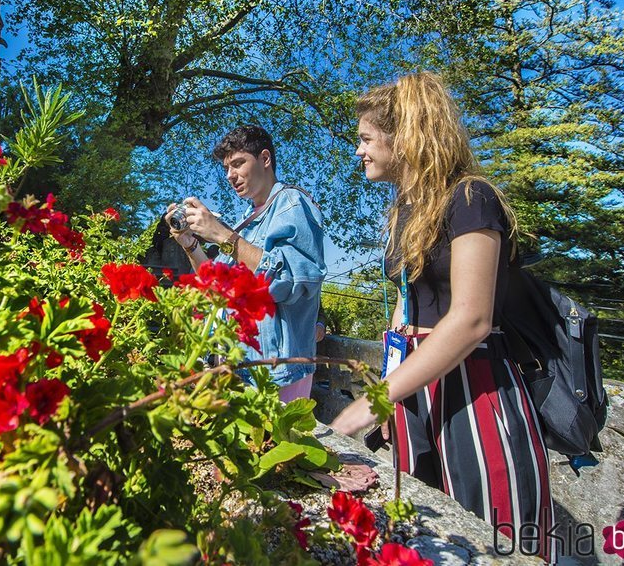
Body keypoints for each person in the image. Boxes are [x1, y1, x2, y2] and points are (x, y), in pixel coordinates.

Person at [328, 73, 554, 561]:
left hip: (473, 384)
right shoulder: (404, 211)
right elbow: (403, 311)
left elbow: (472, 319)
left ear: (406, 134)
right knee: (427, 534)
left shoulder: (471, 198)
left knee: (494, 534)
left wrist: (373, 401)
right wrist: (395, 389)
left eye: (366, 139)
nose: (359, 151)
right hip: (417, 384)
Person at [167, 124, 326, 402]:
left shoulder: (292, 203)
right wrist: (190, 244)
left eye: (238, 163)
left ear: (265, 159)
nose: (230, 175)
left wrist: (221, 234)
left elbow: (290, 281)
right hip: (241, 367)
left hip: (277, 374)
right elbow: (217, 288)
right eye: (227, 168)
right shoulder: (247, 221)